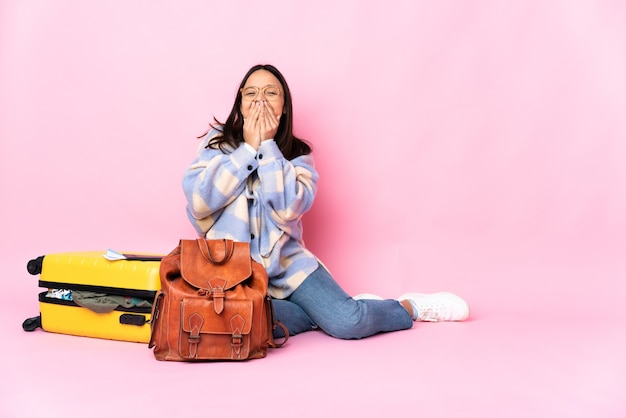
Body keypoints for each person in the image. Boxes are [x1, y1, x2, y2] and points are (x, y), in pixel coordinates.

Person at [182, 64, 469, 340]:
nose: (260, 100)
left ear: (284, 107)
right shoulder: (216, 144)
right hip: (233, 278)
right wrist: (248, 150)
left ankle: (407, 307)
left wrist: (267, 147)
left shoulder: (298, 156)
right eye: (251, 93)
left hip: (288, 268)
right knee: (241, 322)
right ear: (240, 103)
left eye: (271, 93)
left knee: (348, 322)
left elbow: (287, 209)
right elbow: (199, 202)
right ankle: (329, 310)